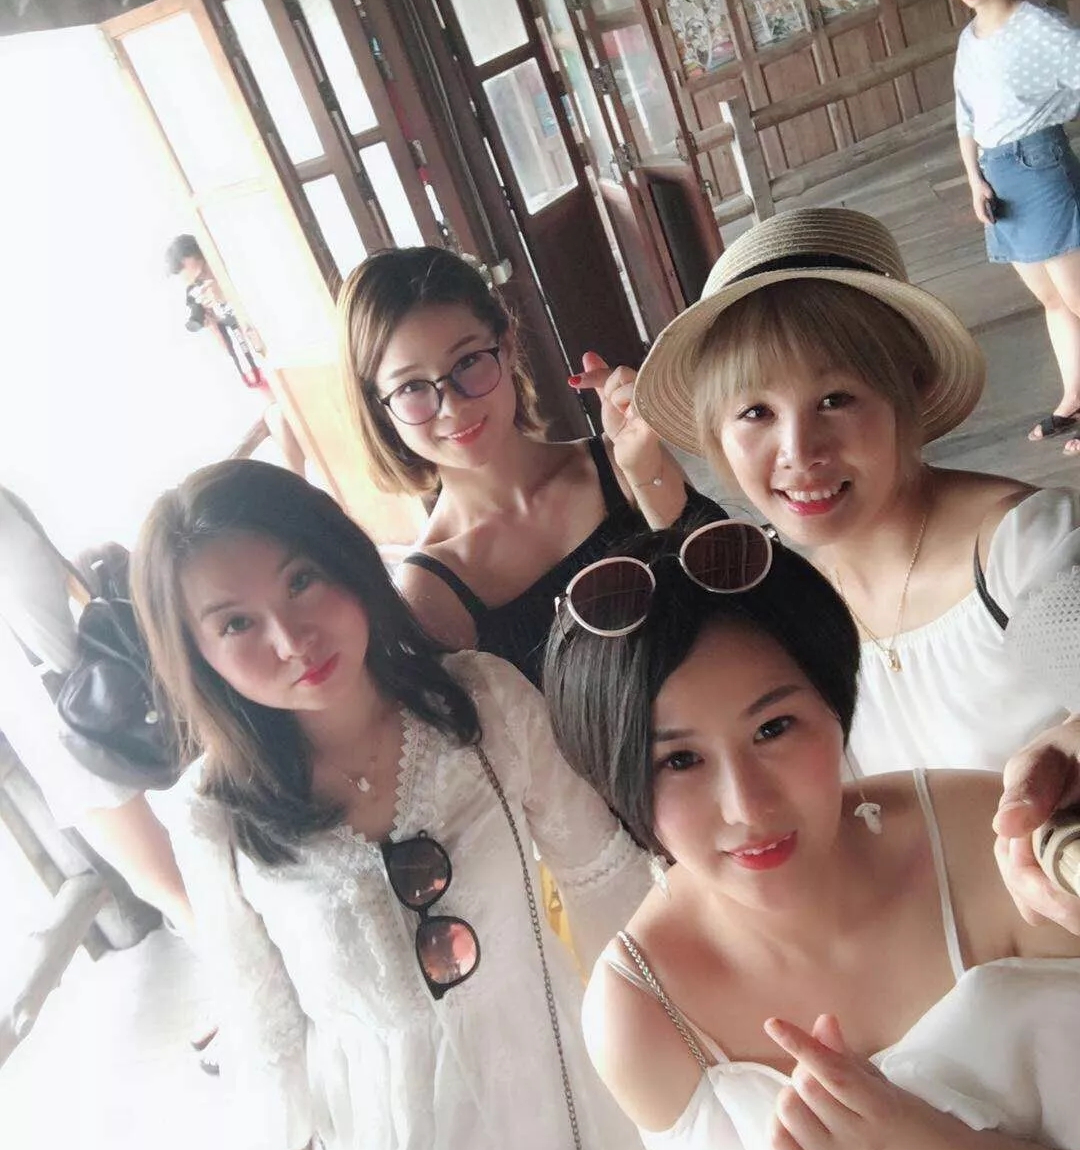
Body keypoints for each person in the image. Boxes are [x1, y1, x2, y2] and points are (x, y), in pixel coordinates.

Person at [132, 458, 696, 1150]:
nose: (291, 640)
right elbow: (268, 1031)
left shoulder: (484, 702)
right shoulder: (215, 814)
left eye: (301, 581)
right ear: (199, 654)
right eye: (237, 623)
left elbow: (604, 882)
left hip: (566, 1111)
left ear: (344, 559)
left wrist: (703, 1040)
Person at [542, 521, 1080, 1150]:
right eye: (680, 760)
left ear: (836, 707)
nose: (746, 805)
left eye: (774, 728)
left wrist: (902, 1141)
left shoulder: (988, 846)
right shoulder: (644, 1011)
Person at [624, 205, 1080, 777]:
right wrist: (646, 476)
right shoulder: (796, 609)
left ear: (910, 391)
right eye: (756, 412)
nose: (798, 451)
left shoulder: (1020, 550)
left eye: (834, 399)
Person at [337, 246, 723, 689]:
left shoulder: (617, 464)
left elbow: (733, 595)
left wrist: (645, 470)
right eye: (411, 387)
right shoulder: (430, 590)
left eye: (467, 361)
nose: (452, 406)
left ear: (506, 345)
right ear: (379, 406)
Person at [0, 484, 195, 944]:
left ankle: (257, 979)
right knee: (174, 879)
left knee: (170, 885)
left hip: (64, 721)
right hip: (80, 704)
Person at [947, 0, 1080, 452]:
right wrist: (973, 179)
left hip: (1039, 163)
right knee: (1050, 299)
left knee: (1076, 294)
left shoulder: (1037, 24)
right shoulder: (969, 39)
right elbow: (965, 116)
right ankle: (1074, 397)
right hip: (998, 176)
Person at [165, 235, 307, 477]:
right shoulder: (218, 311)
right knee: (275, 415)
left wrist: (228, 298)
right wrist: (213, 325)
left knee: (277, 417)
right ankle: (297, 481)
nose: (201, 287)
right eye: (193, 287)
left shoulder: (245, 280)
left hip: (297, 372)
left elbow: (278, 334)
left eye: (201, 276)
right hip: (273, 388)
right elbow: (247, 369)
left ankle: (297, 482)